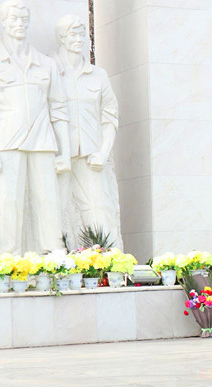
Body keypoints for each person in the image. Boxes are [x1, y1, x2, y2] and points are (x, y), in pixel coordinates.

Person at [0, 0, 70, 254]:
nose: (19, 24)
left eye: (24, 20)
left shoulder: (46, 63)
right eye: (14, 19)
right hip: (5, 141)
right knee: (8, 201)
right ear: (3, 21)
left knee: (48, 200)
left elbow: (59, 109)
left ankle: (54, 254)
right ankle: (7, 256)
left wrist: (65, 152)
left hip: (43, 142)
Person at [52, 15, 121, 248]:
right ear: (61, 38)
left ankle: (107, 260)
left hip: (91, 155)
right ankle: (57, 260)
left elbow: (109, 117)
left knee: (100, 210)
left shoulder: (98, 75)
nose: (79, 39)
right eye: (73, 34)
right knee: (58, 211)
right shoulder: (49, 70)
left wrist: (103, 152)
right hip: (57, 155)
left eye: (83, 34)